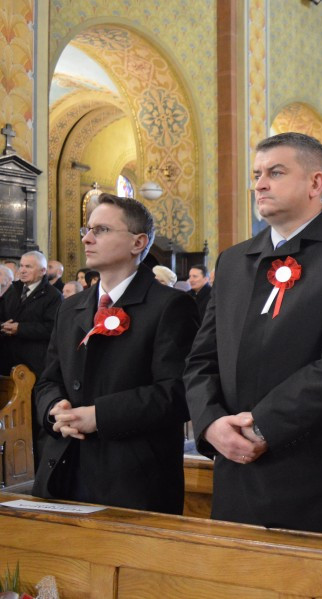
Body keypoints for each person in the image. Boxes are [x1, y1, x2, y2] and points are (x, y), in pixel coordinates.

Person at [184, 132, 322, 535]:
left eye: (276, 172)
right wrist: (211, 425)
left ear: (316, 183)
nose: (259, 183)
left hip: (314, 473)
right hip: (235, 466)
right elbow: (201, 360)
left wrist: (261, 426)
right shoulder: (233, 260)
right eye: (258, 173)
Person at [32, 194, 199, 513]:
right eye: (87, 229)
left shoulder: (168, 306)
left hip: (131, 477)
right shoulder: (70, 308)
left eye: (102, 230)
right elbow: (47, 381)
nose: (87, 238)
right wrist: (56, 409)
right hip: (64, 467)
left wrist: (100, 416)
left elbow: (177, 393)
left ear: (138, 242)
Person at [0, 251, 62, 379]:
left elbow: (52, 328)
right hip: (6, 361)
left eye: (28, 267)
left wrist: (20, 329)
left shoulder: (53, 296)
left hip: (34, 363)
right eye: (21, 266)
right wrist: (2, 325)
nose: (22, 270)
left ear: (42, 271)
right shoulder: (12, 289)